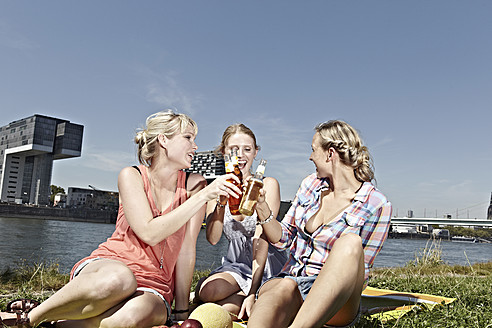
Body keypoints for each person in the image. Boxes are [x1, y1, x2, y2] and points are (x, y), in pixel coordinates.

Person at [0, 110, 242, 328]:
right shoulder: (131, 175)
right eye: (188, 138)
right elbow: (149, 232)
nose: (195, 145)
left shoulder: (195, 185)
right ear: (164, 140)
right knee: (120, 280)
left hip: (155, 285)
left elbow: (186, 251)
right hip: (112, 266)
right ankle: (29, 318)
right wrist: (203, 198)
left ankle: (58, 324)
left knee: (129, 319)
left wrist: (180, 311)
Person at [247, 120, 392, 328]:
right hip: (293, 283)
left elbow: (360, 273)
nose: (310, 156)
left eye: (313, 150)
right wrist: (261, 206)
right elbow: (283, 239)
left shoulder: (377, 204)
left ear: (329, 154)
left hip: (336, 301)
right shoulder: (310, 184)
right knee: (284, 286)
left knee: (350, 243)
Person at [196, 124, 287, 320]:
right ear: (224, 152)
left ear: (255, 152)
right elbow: (212, 239)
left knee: (227, 310)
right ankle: (221, 290)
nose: (241, 155)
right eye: (233, 149)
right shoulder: (216, 188)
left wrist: (253, 291)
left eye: (247, 149)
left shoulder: (266, 185)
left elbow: (261, 239)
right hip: (236, 265)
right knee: (208, 293)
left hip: (266, 264)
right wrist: (220, 203)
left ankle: (249, 297)